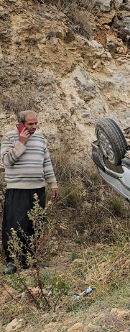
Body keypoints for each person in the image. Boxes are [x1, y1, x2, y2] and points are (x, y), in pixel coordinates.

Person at [1, 110, 59, 274]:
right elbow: (6, 161)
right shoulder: (10, 137)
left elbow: (46, 162)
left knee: (35, 225)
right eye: (30, 124)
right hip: (17, 189)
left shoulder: (40, 138)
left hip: (38, 189)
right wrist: (21, 143)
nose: (34, 127)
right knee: (14, 226)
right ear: (20, 124)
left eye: (35, 123)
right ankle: (12, 261)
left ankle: (31, 259)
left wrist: (53, 183)